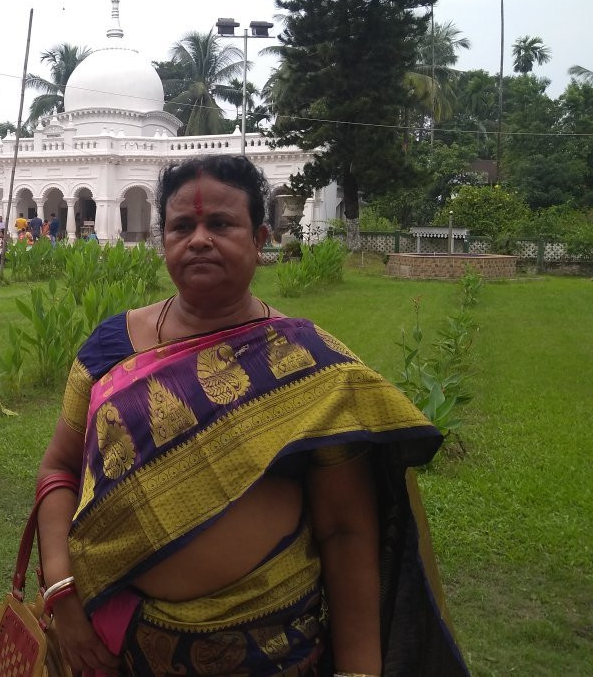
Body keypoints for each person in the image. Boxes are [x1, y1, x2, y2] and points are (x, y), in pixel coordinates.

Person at [35, 155, 468, 676]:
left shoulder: (308, 365)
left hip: (271, 654)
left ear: (260, 238)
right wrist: (62, 592)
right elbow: (57, 470)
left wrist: (359, 671)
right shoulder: (111, 347)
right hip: (115, 649)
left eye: (219, 224)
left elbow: (346, 530)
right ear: (162, 240)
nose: (198, 239)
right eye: (181, 226)